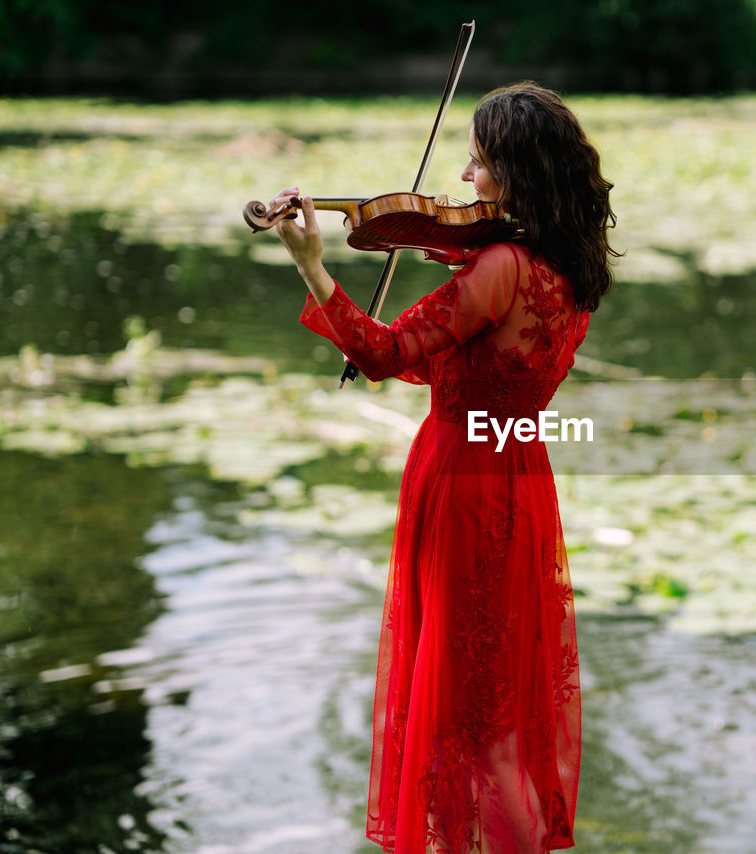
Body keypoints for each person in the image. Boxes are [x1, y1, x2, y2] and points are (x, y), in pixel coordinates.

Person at [267, 82, 617, 854]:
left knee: (471, 720)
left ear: (518, 175)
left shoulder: (496, 267)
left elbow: (387, 354)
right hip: (518, 474)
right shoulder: (567, 271)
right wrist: (460, 278)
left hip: (461, 481)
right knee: (496, 718)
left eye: (479, 164)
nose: (464, 182)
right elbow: (478, 370)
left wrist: (312, 263)